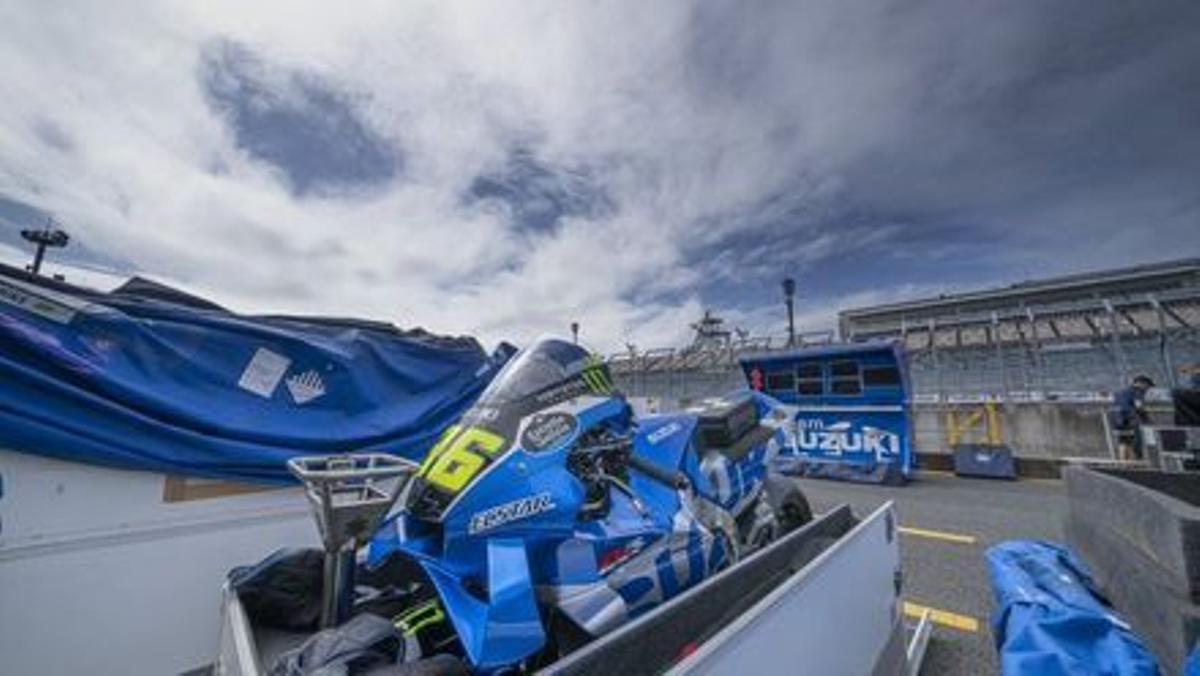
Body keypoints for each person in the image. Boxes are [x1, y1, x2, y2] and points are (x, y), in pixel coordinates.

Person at [1112, 374, 1154, 461]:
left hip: (1118, 420)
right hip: (1131, 420)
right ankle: (1135, 463)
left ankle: (1123, 464)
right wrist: (1146, 418)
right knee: (1135, 442)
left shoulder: (1121, 392)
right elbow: (1139, 406)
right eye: (1147, 386)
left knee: (1123, 442)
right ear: (1142, 383)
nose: (1147, 389)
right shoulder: (1137, 391)